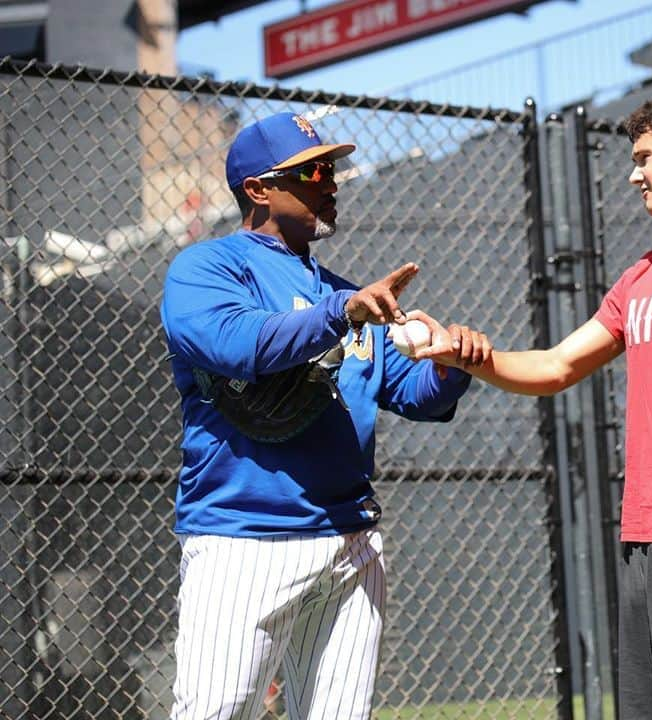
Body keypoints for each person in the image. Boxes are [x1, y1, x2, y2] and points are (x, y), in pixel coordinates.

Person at [418, 89, 652, 719]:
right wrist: (462, 355)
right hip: (646, 534)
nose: (634, 172)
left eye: (646, 156)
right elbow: (557, 365)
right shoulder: (640, 277)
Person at [159, 111, 488, 720]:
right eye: (311, 170)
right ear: (257, 189)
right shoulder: (208, 270)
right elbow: (242, 345)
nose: (330, 180)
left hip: (350, 540)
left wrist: (449, 368)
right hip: (245, 537)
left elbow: (411, 395)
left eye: (331, 168)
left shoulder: (344, 292)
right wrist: (343, 311)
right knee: (214, 711)